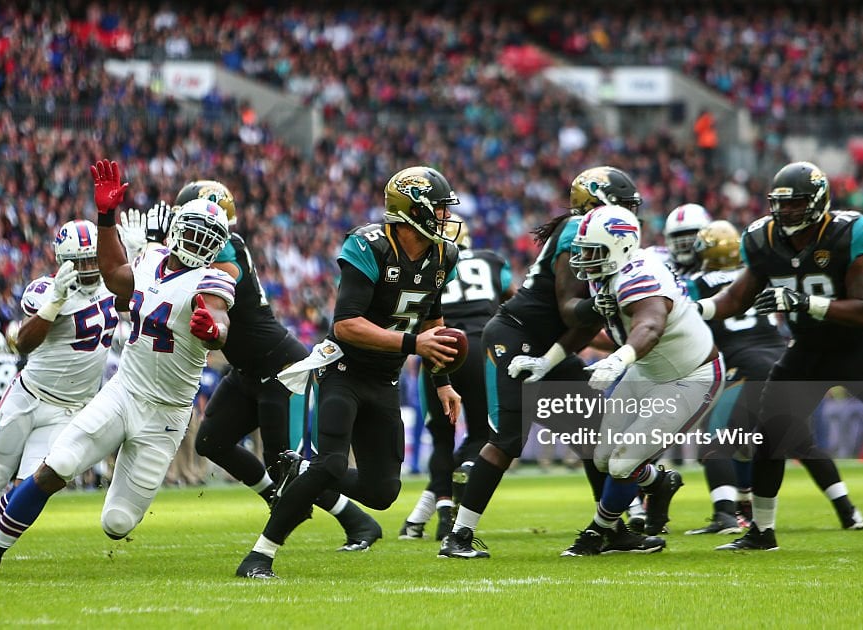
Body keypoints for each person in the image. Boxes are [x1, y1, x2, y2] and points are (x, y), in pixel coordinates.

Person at [0, 159, 236, 578]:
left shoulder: (213, 280)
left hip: (165, 415)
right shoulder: (152, 258)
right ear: (178, 227)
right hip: (123, 392)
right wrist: (105, 217)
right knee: (56, 465)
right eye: (194, 230)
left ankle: (123, 466)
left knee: (117, 523)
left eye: (208, 237)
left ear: (219, 246)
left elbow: (220, 323)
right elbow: (112, 273)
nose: (198, 242)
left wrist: (213, 330)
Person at [236, 166, 462, 579]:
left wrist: (443, 380)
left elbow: (431, 320)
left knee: (383, 491)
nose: (446, 217)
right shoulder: (370, 245)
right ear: (414, 210)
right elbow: (347, 324)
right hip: (344, 369)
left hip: (386, 378)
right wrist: (413, 346)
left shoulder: (444, 255)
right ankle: (260, 554)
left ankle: (299, 471)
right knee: (332, 463)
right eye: (440, 208)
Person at [138, 179, 383, 550]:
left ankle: (357, 520)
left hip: (280, 366)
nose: (183, 228)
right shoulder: (203, 252)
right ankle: (278, 498)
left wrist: (156, 248)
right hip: (248, 369)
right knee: (211, 441)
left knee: (285, 463)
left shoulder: (229, 248)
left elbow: (220, 282)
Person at [697, 161, 863, 550]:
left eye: (794, 204)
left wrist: (804, 302)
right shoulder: (764, 239)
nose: (785, 212)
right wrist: (699, 310)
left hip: (857, 343)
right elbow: (735, 297)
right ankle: (762, 531)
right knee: (771, 433)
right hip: (807, 347)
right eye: (780, 204)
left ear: (816, 203)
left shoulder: (848, 232)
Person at [438, 166, 641, 560]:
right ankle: (457, 537)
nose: (631, 214)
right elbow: (571, 311)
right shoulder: (577, 231)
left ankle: (611, 531)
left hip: (545, 345)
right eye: (624, 205)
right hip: (515, 336)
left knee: (596, 431)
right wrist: (601, 309)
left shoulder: (606, 240)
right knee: (509, 438)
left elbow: (581, 327)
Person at [0, 220, 123, 567]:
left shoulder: (112, 285)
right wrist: (54, 303)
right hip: (29, 397)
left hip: (67, 411)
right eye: (80, 262)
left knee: (25, 487)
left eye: (92, 259)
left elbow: (137, 294)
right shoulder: (46, 289)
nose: (88, 268)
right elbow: (23, 342)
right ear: (64, 261)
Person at [554, 205, 726, 554]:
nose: (585, 258)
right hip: (648, 368)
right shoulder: (610, 271)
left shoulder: (641, 273)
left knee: (622, 462)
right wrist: (546, 363)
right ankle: (659, 481)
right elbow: (586, 327)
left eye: (593, 250)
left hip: (690, 374)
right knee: (602, 458)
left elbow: (650, 325)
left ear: (620, 246)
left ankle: (597, 533)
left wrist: (618, 358)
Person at [684, 220, 863, 536]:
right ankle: (849, 512)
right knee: (800, 442)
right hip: (782, 365)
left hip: (743, 370)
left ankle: (725, 515)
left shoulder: (697, 283)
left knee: (716, 441)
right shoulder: (755, 278)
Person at [399, 213, 513, 541]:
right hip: (483, 348)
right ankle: (466, 474)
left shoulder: (424, 265)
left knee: (440, 439)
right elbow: (512, 297)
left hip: (437, 345)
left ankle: (442, 514)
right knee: (481, 434)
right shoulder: (490, 261)